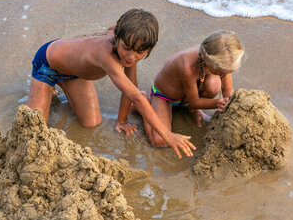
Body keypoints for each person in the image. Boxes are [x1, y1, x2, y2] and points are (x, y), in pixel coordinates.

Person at [26, 9, 195, 158]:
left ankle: (59, 88)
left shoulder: (131, 42)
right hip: (47, 66)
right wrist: (166, 134)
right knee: (34, 131)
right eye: (126, 48)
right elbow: (135, 96)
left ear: (148, 49)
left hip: (74, 74)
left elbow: (131, 85)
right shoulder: (107, 57)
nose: (130, 57)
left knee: (91, 124)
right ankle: (49, 88)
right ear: (118, 38)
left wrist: (121, 121)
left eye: (139, 52)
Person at [132, 31, 244, 147]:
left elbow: (228, 90)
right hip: (164, 96)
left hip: (186, 96)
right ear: (204, 59)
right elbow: (194, 101)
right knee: (160, 141)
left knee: (214, 84)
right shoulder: (187, 66)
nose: (224, 74)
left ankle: (193, 110)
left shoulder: (221, 61)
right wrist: (217, 103)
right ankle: (144, 103)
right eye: (221, 72)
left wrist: (231, 103)